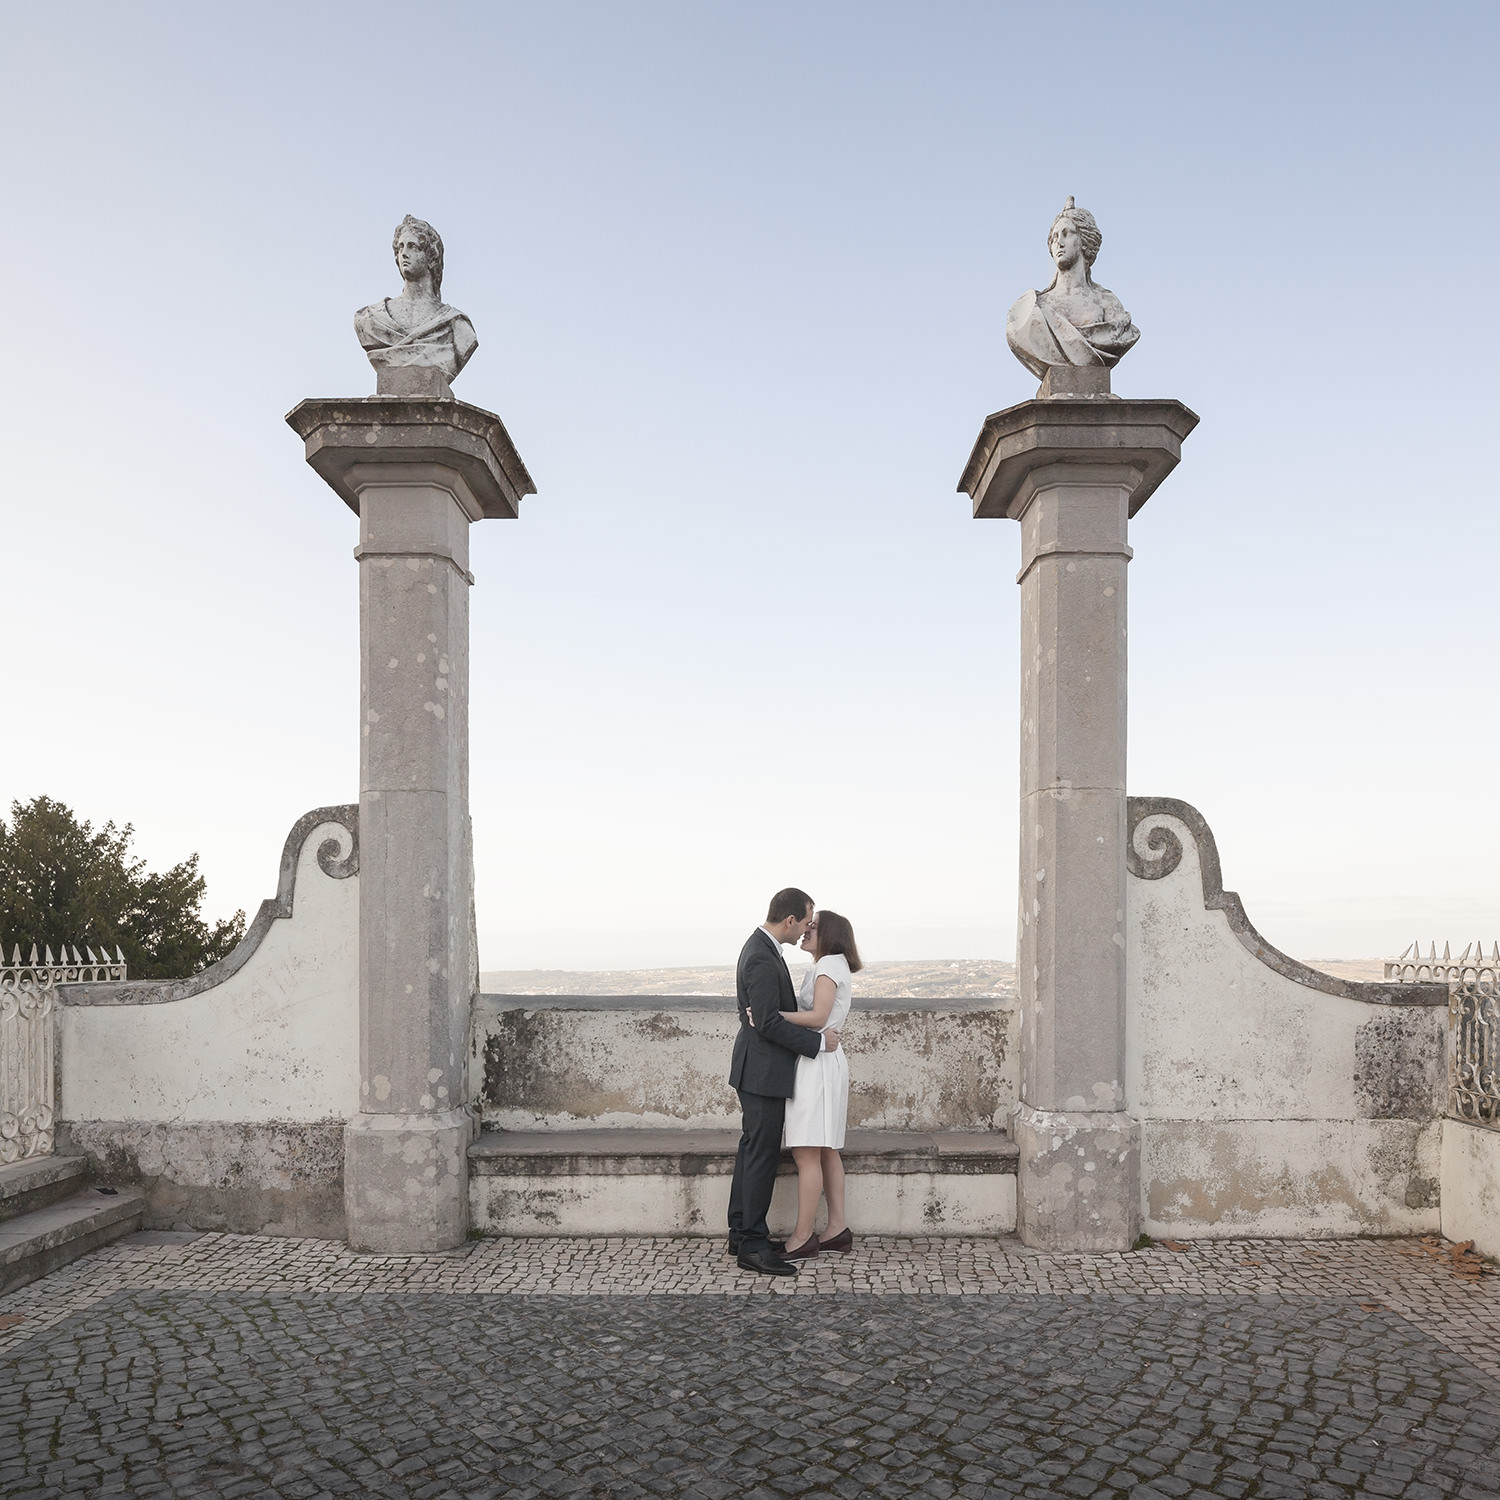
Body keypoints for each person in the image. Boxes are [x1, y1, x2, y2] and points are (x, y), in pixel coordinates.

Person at [727, 889, 841, 1276]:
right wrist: (818, 1042)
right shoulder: (761, 954)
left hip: (759, 1071)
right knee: (760, 1156)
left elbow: (766, 1017)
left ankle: (741, 1234)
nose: (808, 929)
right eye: (806, 922)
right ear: (789, 921)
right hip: (761, 1073)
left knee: (751, 1151)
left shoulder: (762, 947)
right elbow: (769, 1022)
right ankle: (753, 1247)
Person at [777, 909, 861, 1259]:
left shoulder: (827, 966)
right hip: (828, 1061)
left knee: (807, 1149)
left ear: (830, 934)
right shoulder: (834, 965)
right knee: (826, 1148)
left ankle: (801, 1238)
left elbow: (818, 1017)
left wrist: (773, 1017)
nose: (805, 931)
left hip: (818, 1064)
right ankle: (837, 1228)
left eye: (813, 927)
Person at [1005, 196, 1139, 378]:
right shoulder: (1031, 310)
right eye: (1053, 237)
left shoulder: (1108, 303)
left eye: (1067, 233)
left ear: (1085, 240)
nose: (1058, 242)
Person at [354, 215, 478, 391]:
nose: (404, 253)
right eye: (400, 247)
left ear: (431, 257)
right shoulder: (370, 319)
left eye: (413, 246)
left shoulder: (457, 325)